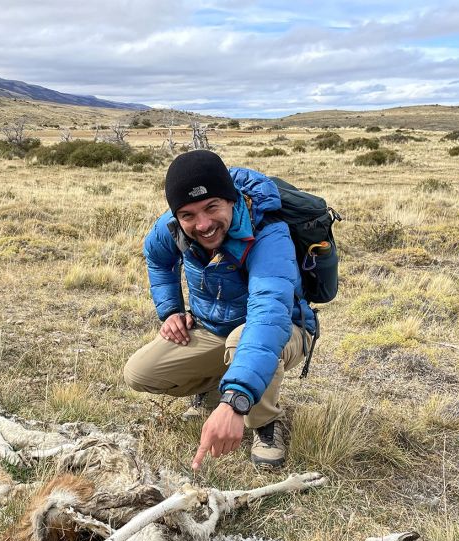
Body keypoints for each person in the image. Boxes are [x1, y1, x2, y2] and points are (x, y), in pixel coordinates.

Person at [123, 150, 316, 471]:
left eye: (212, 207)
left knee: (243, 340)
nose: (203, 224)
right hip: (213, 328)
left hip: (285, 330)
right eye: (188, 215)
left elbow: (268, 316)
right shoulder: (172, 227)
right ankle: (214, 390)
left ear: (232, 200)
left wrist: (237, 402)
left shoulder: (269, 234)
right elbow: (156, 258)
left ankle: (265, 423)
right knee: (140, 372)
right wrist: (171, 309)